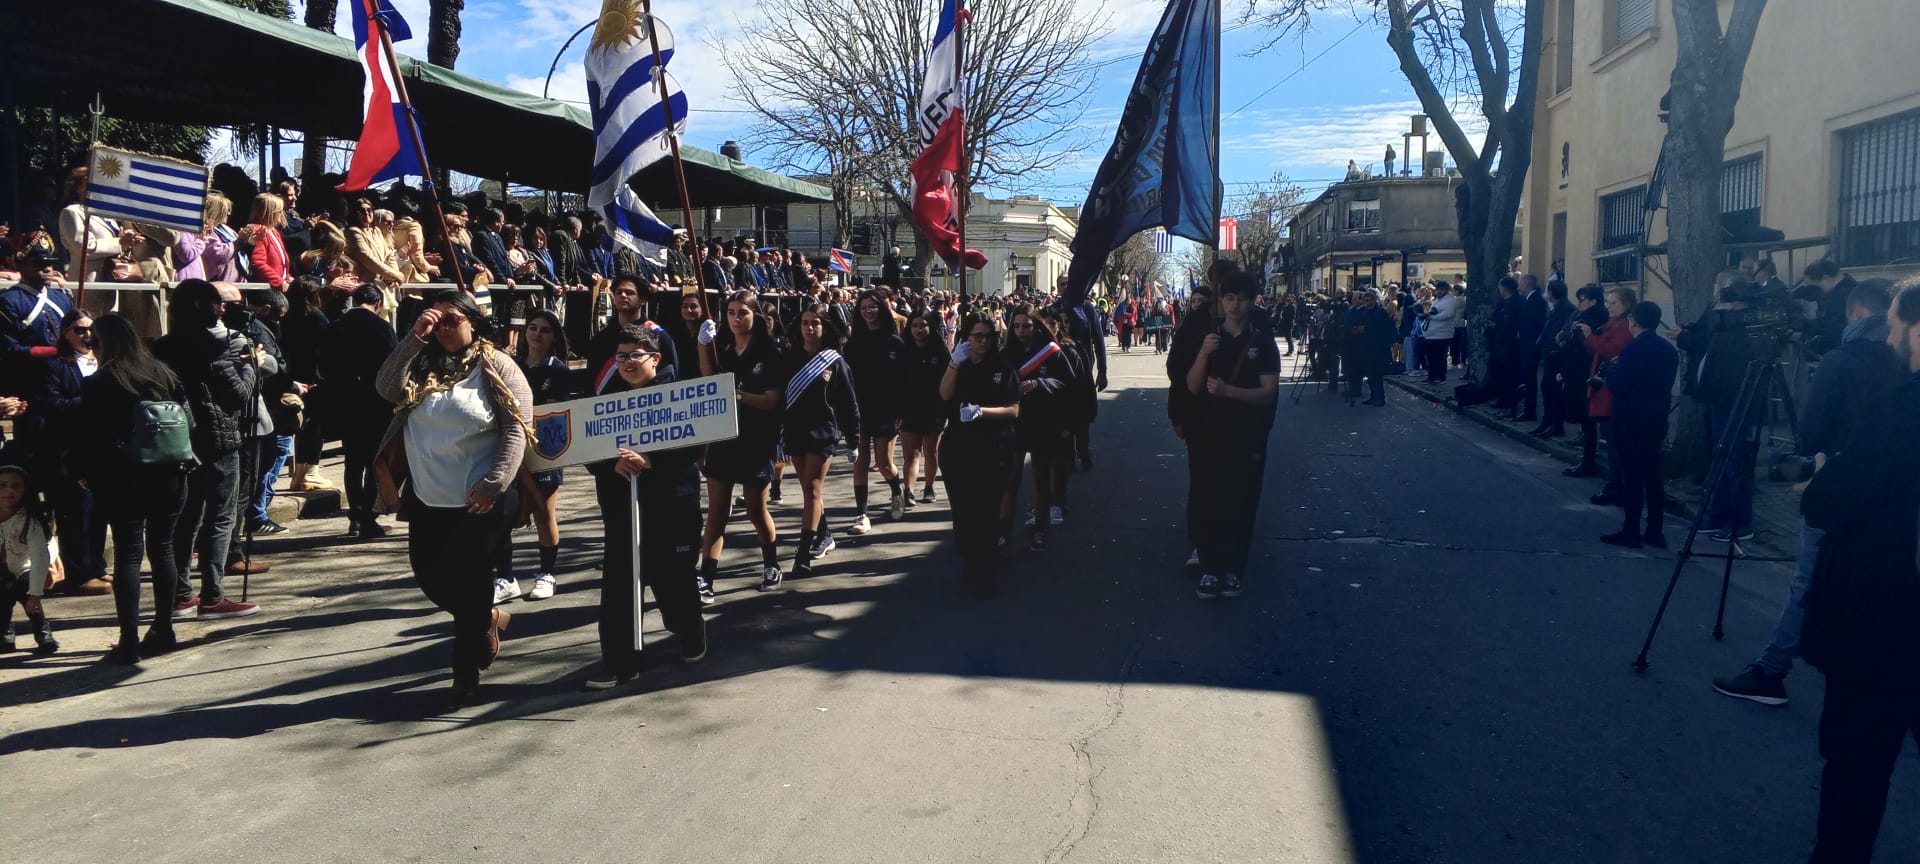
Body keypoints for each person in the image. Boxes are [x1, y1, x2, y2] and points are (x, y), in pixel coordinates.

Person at [1712, 279, 1905, 707]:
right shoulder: (1901, 364)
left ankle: (1771, 669)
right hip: (1891, 502)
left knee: (1808, 581)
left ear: (1855, 314)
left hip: (1835, 490)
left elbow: (1810, 433)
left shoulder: (1842, 361)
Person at [1793, 278, 1920, 863]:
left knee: (1858, 763)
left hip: (1884, 618)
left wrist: (1823, 477)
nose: (1889, 335)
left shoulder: (1903, 410)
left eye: (1895, 325)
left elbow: (1829, 502)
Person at [375, 289, 532, 708]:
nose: (441, 327)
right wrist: (415, 336)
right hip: (429, 498)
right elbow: (386, 388)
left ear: (473, 322)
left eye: (450, 320)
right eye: (434, 319)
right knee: (430, 577)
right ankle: (487, 619)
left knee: (470, 584)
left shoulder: (496, 365)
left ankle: (464, 674)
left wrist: (495, 482)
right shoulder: (420, 362)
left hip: (483, 500)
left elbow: (518, 428)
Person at [582, 325, 708, 689]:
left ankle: (690, 629)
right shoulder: (608, 401)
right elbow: (590, 448)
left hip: (671, 507)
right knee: (621, 585)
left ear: (655, 358)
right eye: (620, 356)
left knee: (674, 582)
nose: (627, 363)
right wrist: (612, 463)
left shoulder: (679, 397)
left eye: (634, 355)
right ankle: (620, 663)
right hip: (623, 508)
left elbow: (695, 447)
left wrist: (652, 459)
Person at [78, 314, 193, 663]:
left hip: (123, 477)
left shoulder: (100, 382)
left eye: (92, 342)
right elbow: (191, 420)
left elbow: (92, 438)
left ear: (101, 344)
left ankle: (129, 640)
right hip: (172, 473)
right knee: (163, 548)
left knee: (129, 553)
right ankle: (164, 628)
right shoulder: (163, 373)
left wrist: (86, 473)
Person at [152, 280, 261, 620]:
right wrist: (250, 365)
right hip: (218, 440)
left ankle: (181, 593)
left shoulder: (163, 347)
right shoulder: (216, 347)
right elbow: (238, 395)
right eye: (217, 303)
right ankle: (213, 594)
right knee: (220, 517)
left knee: (186, 520)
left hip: (179, 442)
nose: (222, 309)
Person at [1183, 272, 1279, 600]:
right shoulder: (1209, 340)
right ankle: (1210, 567)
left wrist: (1228, 391)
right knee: (1210, 500)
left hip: (1247, 436)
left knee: (1241, 503)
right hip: (1210, 434)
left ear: (1252, 301)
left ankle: (1234, 569)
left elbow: (1267, 393)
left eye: (1241, 298)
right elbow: (1193, 385)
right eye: (1228, 298)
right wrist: (1203, 355)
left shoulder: (1263, 344)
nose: (1235, 305)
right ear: (1221, 302)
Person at [695, 291, 785, 597]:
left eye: (742, 313)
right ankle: (706, 576)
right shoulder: (723, 348)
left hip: (757, 441)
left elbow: (772, 401)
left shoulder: (769, 351)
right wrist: (702, 345)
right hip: (724, 439)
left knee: (755, 509)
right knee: (717, 512)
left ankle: (771, 563)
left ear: (755, 316)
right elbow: (709, 379)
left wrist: (736, 396)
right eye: (731, 312)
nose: (736, 318)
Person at [1674, 275, 1762, 543]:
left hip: (1739, 402)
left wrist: (1692, 336)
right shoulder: (1723, 327)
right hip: (1719, 401)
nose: (1720, 307)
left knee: (1735, 463)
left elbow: (1715, 348)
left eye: (1726, 301)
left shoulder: (1746, 329)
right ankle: (1718, 516)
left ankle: (1740, 522)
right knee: (1720, 459)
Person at [939, 315, 1020, 595]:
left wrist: (982, 412)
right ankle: (969, 563)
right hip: (958, 448)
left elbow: (1014, 409)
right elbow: (944, 395)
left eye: (987, 336)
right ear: (967, 338)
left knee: (986, 510)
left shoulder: (1003, 367)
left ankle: (987, 568)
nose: (983, 341)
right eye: (977, 336)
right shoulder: (959, 363)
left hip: (992, 446)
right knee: (963, 511)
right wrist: (953, 362)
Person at [30, 309, 109, 595]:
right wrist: (90, 402)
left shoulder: (102, 361)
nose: (86, 335)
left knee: (98, 511)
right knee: (76, 512)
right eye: (79, 330)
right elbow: (50, 403)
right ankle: (79, 573)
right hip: (67, 449)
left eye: (90, 330)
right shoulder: (54, 365)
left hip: (100, 447)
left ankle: (96, 567)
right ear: (65, 333)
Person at [497, 309, 571, 605]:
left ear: (554, 337)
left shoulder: (558, 371)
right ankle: (505, 577)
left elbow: (557, 414)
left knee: (543, 513)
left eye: (544, 330)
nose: (537, 334)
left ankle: (546, 574)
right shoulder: (510, 366)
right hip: (510, 449)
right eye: (532, 328)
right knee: (503, 516)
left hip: (544, 450)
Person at [781, 304, 860, 580]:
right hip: (795, 431)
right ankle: (824, 533)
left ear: (824, 327)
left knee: (813, 489)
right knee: (807, 491)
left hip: (823, 432)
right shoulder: (790, 357)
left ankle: (802, 556)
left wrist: (854, 439)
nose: (809, 327)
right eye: (805, 322)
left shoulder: (834, 361)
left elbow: (848, 402)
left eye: (815, 322)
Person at [1596, 302, 1678, 549]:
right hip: (1657, 418)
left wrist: (1609, 374)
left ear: (1634, 321)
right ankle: (1655, 530)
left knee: (1631, 477)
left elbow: (1620, 386)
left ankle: (1631, 529)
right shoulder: (1667, 349)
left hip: (1631, 419)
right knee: (1653, 477)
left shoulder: (1632, 350)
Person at [322, 283, 399, 538]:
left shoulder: (334, 327)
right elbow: (393, 365)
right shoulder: (382, 328)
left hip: (345, 402)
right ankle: (367, 517)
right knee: (373, 462)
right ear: (377, 303)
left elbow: (324, 363)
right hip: (375, 403)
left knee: (352, 462)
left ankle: (355, 516)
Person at [1006, 305, 1078, 551]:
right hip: (1013, 421)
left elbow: (1069, 383)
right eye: (1016, 326)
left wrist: (1040, 383)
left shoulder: (1051, 352)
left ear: (1036, 326)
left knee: (1039, 476)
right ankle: (1004, 530)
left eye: (1026, 325)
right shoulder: (1007, 352)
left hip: (1042, 421)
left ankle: (1040, 527)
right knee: (1011, 478)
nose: (1021, 331)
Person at [845, 289, 908, 533]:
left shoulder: (895, 342)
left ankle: (896, 490)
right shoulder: (853, 344)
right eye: (863, 308)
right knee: (861, 461)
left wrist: (901, 409)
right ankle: (862, 513)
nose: (868, 311)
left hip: (887, 408)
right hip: (860, 408)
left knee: (883, 462)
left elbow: (904, 378)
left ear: (881, 308)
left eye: (872, 306)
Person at [1572, 286, 1635, 503]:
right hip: (1602, 387)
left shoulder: (1626, 327)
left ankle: (1616, 487)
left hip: (1611, 390)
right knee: (1610, 441)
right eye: (1608, 302)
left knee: (1615, 443)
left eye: (1613, 303)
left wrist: (1590, 337)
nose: (1609, 307)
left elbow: (1611, 351)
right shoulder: (1611, 324)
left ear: (1626, 305)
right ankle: (1614, 485)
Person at [0, 465, 58, 654]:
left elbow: (39, 556)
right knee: (3, 591)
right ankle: (4, 633)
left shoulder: (29, 520)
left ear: (25, 490)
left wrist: (35, 593)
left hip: (26, 566)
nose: (9, 491)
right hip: (3, 570)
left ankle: (43, 632)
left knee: (27, 590)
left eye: (16, 486)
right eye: (2, 485)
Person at [899, 309, 950, 508]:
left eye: (923, 325)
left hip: (934, 408)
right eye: (915, 325)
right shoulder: (903, 349)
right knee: (911, 453)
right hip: (909, 409)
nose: (919, 329)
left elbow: (948, 378)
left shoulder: (940, 349)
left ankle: (928, 487)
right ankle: (908, 491)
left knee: (931, 451)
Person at [1530, 279, 1577, 437]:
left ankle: (1556, 424)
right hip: (1551, 354)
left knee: (1554, 391)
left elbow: (1554, 332)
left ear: (1551, 293)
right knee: (1547, 389)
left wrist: (1546, 345)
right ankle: (1548, 421)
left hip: (1557, 356)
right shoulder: (1559, 307)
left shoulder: (1564, 309)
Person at [1342, 288, 1393, 406]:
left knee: (1377, 374)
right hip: (1366, 348)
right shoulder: (1365, 312)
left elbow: (1383, 330)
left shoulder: (1380, 312)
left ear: (1375, 300)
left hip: (1377, 348)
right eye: (1366, 300)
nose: (1368, 303)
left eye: (1370, 300)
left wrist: (1366, 329)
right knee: (1370, 374)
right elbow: (1360, 325)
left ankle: (1380, 397)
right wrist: (1357, 329)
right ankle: (1373, 396)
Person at [244, 193, 292, 289]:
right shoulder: (257, 231)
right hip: (268, 287)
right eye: (279, 212)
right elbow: (258, 263)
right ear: (269, 213)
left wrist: (287, 277)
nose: (281, 214)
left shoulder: (274, 231)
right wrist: (279, 282)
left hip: (281, 282)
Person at [1421, 281, 1464, 383]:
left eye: (1441, 289)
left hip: (1442, 334)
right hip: (1432, 334)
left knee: (1439, 357)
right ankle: (1432, 375)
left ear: (1446, 290)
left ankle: (1440, 377)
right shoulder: (1438, 300)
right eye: (1438, 289)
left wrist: (1432, 316)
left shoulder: (1450, 301)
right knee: (1431, 357)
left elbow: (1448, 315)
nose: (1439, 291)